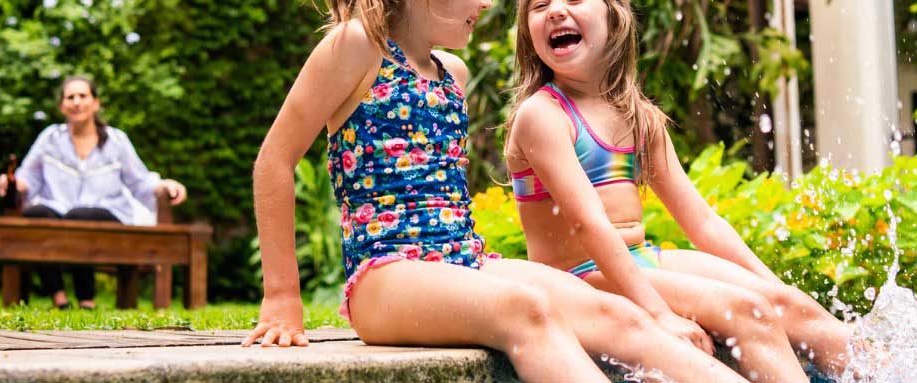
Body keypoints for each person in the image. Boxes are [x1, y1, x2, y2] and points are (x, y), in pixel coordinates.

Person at [242, 1, 748, 382]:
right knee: (527, 309)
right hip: (385, 275)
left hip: (464, 261)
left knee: (620, 313)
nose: (486, 5)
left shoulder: (451, 73)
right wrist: (283, 298)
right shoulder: (355, 45)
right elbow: (274, 161)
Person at [501, 0, 854, 378]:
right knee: (746, 310)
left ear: (614, 17)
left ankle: (890, 370)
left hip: (640, 259)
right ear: (527, 31)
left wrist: (776, 286)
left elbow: (702, 222)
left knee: (783, 303)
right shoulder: (543, 115)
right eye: (539, 5)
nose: (555, 11)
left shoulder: (637, 115)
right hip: (581, 278)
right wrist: (658, 314)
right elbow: (591, 225)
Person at [0, 76, 188, 310]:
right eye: (70, 97)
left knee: (81, 215)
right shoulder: (50, 138)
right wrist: (14, 183)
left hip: (107, 215)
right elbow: (29, 177)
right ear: (62, 106)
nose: (76, 102)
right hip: (58, 212)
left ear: (95, 103)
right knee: (36, 213)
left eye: (83, 96)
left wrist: (165, 185)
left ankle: (87, 300)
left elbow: (140, 182)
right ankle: (59, 299)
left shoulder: (117, 140)